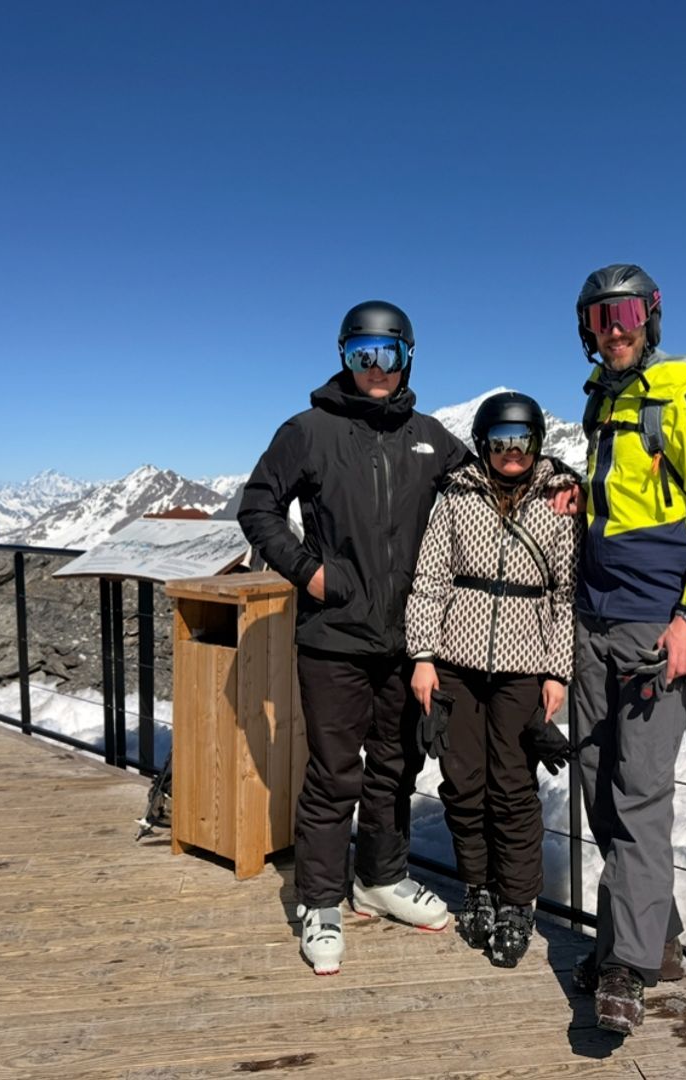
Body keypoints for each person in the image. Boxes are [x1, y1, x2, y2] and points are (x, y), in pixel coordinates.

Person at [238, 300, 473, 976]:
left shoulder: (431, 438)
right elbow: (257, 506)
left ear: (408, 358)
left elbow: (486, 488)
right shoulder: (308, 431)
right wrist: (307, 573)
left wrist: (556, 491)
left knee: (396, 768)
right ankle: (319, 900)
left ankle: (380, 878)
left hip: (407, 640)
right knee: (334, 774)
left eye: (387, 353)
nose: (375, 368)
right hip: (333, 638)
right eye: (360, 354)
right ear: (343, 357)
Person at [554, 264, 686, 1034]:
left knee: (639, 796)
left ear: (653, 317)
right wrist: (582, 497)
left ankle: (625, 968)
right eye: (599, 318)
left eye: (627, 312)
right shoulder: (603, 403)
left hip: (653, 630)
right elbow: (631, 497)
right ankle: (655, 940)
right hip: (593, 621)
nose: (615, 329)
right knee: (600, 789)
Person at [405, 391, 581, 968]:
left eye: (523, 439)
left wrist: (557, 671)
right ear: (483, 443)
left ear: (537, 442)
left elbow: (564, 593)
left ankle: (517, 900)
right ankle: (477, 888)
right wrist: (424, 656)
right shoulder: (457, 493)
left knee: (511, 787)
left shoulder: (561, 497)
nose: (512, 451)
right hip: (454, 660)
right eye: (501, 440)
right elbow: (430, 577)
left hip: (523, 665)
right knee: (461, 782)